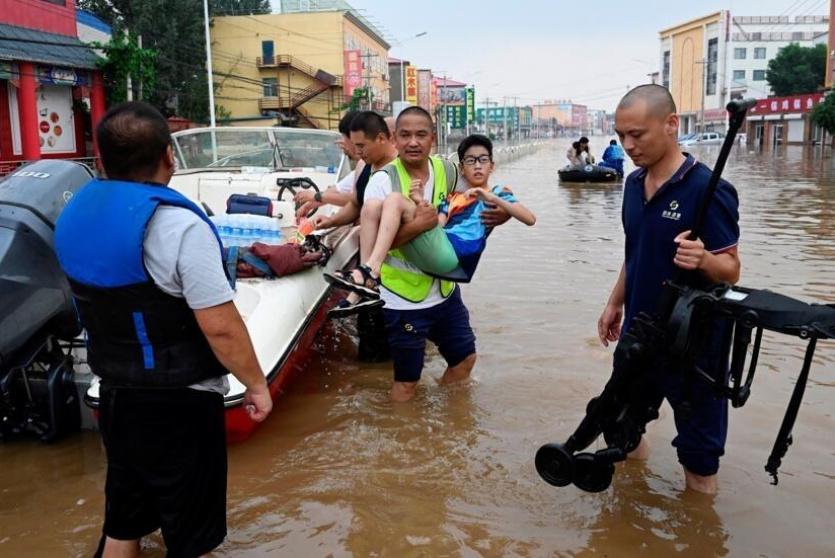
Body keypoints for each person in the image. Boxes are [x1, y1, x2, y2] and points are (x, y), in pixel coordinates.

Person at [53, 102, 273, 557]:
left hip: (114, 394)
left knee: (123, 524)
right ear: (169, 156)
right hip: (181, 400)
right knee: (192, 538)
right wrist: (256, 385)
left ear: (101, 160)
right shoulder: (178, 226)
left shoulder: (74, 217)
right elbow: (221, 329)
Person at [599, 84, 740, 494]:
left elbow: (731, 269)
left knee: (699, 459)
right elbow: (635, 252)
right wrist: (614, 303)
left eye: (638, 134)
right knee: (622, 429)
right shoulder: (631, 185)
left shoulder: (708, 190)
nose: (628, 145)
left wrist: (705, 260)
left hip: (694, 342)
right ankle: (632, 509)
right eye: (622, 135)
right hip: (641, 331)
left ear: (671, 125)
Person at [331, 106, 509, 402]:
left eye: (421, 135)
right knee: (406, 383)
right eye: (405, 135)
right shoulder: (383, 181)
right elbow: (376, 242)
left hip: (444, 290)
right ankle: (403, 441)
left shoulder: (448, 170)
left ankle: (443, 419)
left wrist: (501, 214)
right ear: (394, 140)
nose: (413, 142)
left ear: (433, 140)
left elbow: (476, 198)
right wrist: (418, 226)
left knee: (465, 360)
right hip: (403, 299)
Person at [326, 134, 535, 312]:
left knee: (394, 199)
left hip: (455, 256)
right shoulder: (453, 197)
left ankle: (370, 271)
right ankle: (361, 287)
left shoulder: (499, 193)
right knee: (371, 206)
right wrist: (418, 201)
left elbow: (529, 219)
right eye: (471, 161)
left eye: (483, 160)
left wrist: (492, 199)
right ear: (462, 168)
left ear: (492, 165)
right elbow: (437, 226)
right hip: (440, 248)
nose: (477, 166)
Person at [309, 110, 400, 316]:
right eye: (354, 144)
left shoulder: (402, 169)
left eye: (361, 146)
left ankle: (365, 283)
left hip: (396, 271)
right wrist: (330, 221)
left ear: (383, 138)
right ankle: (362, 287)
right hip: (372, 268)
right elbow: (356, 204)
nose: (357, 151)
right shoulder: (366, 167)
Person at [295, 110, 360, 215]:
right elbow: (338, 190)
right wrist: (308, 206)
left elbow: (357, 200)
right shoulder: (359, 169)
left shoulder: (372, 168)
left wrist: (316, 196)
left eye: (344, 137)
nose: (342, 142)